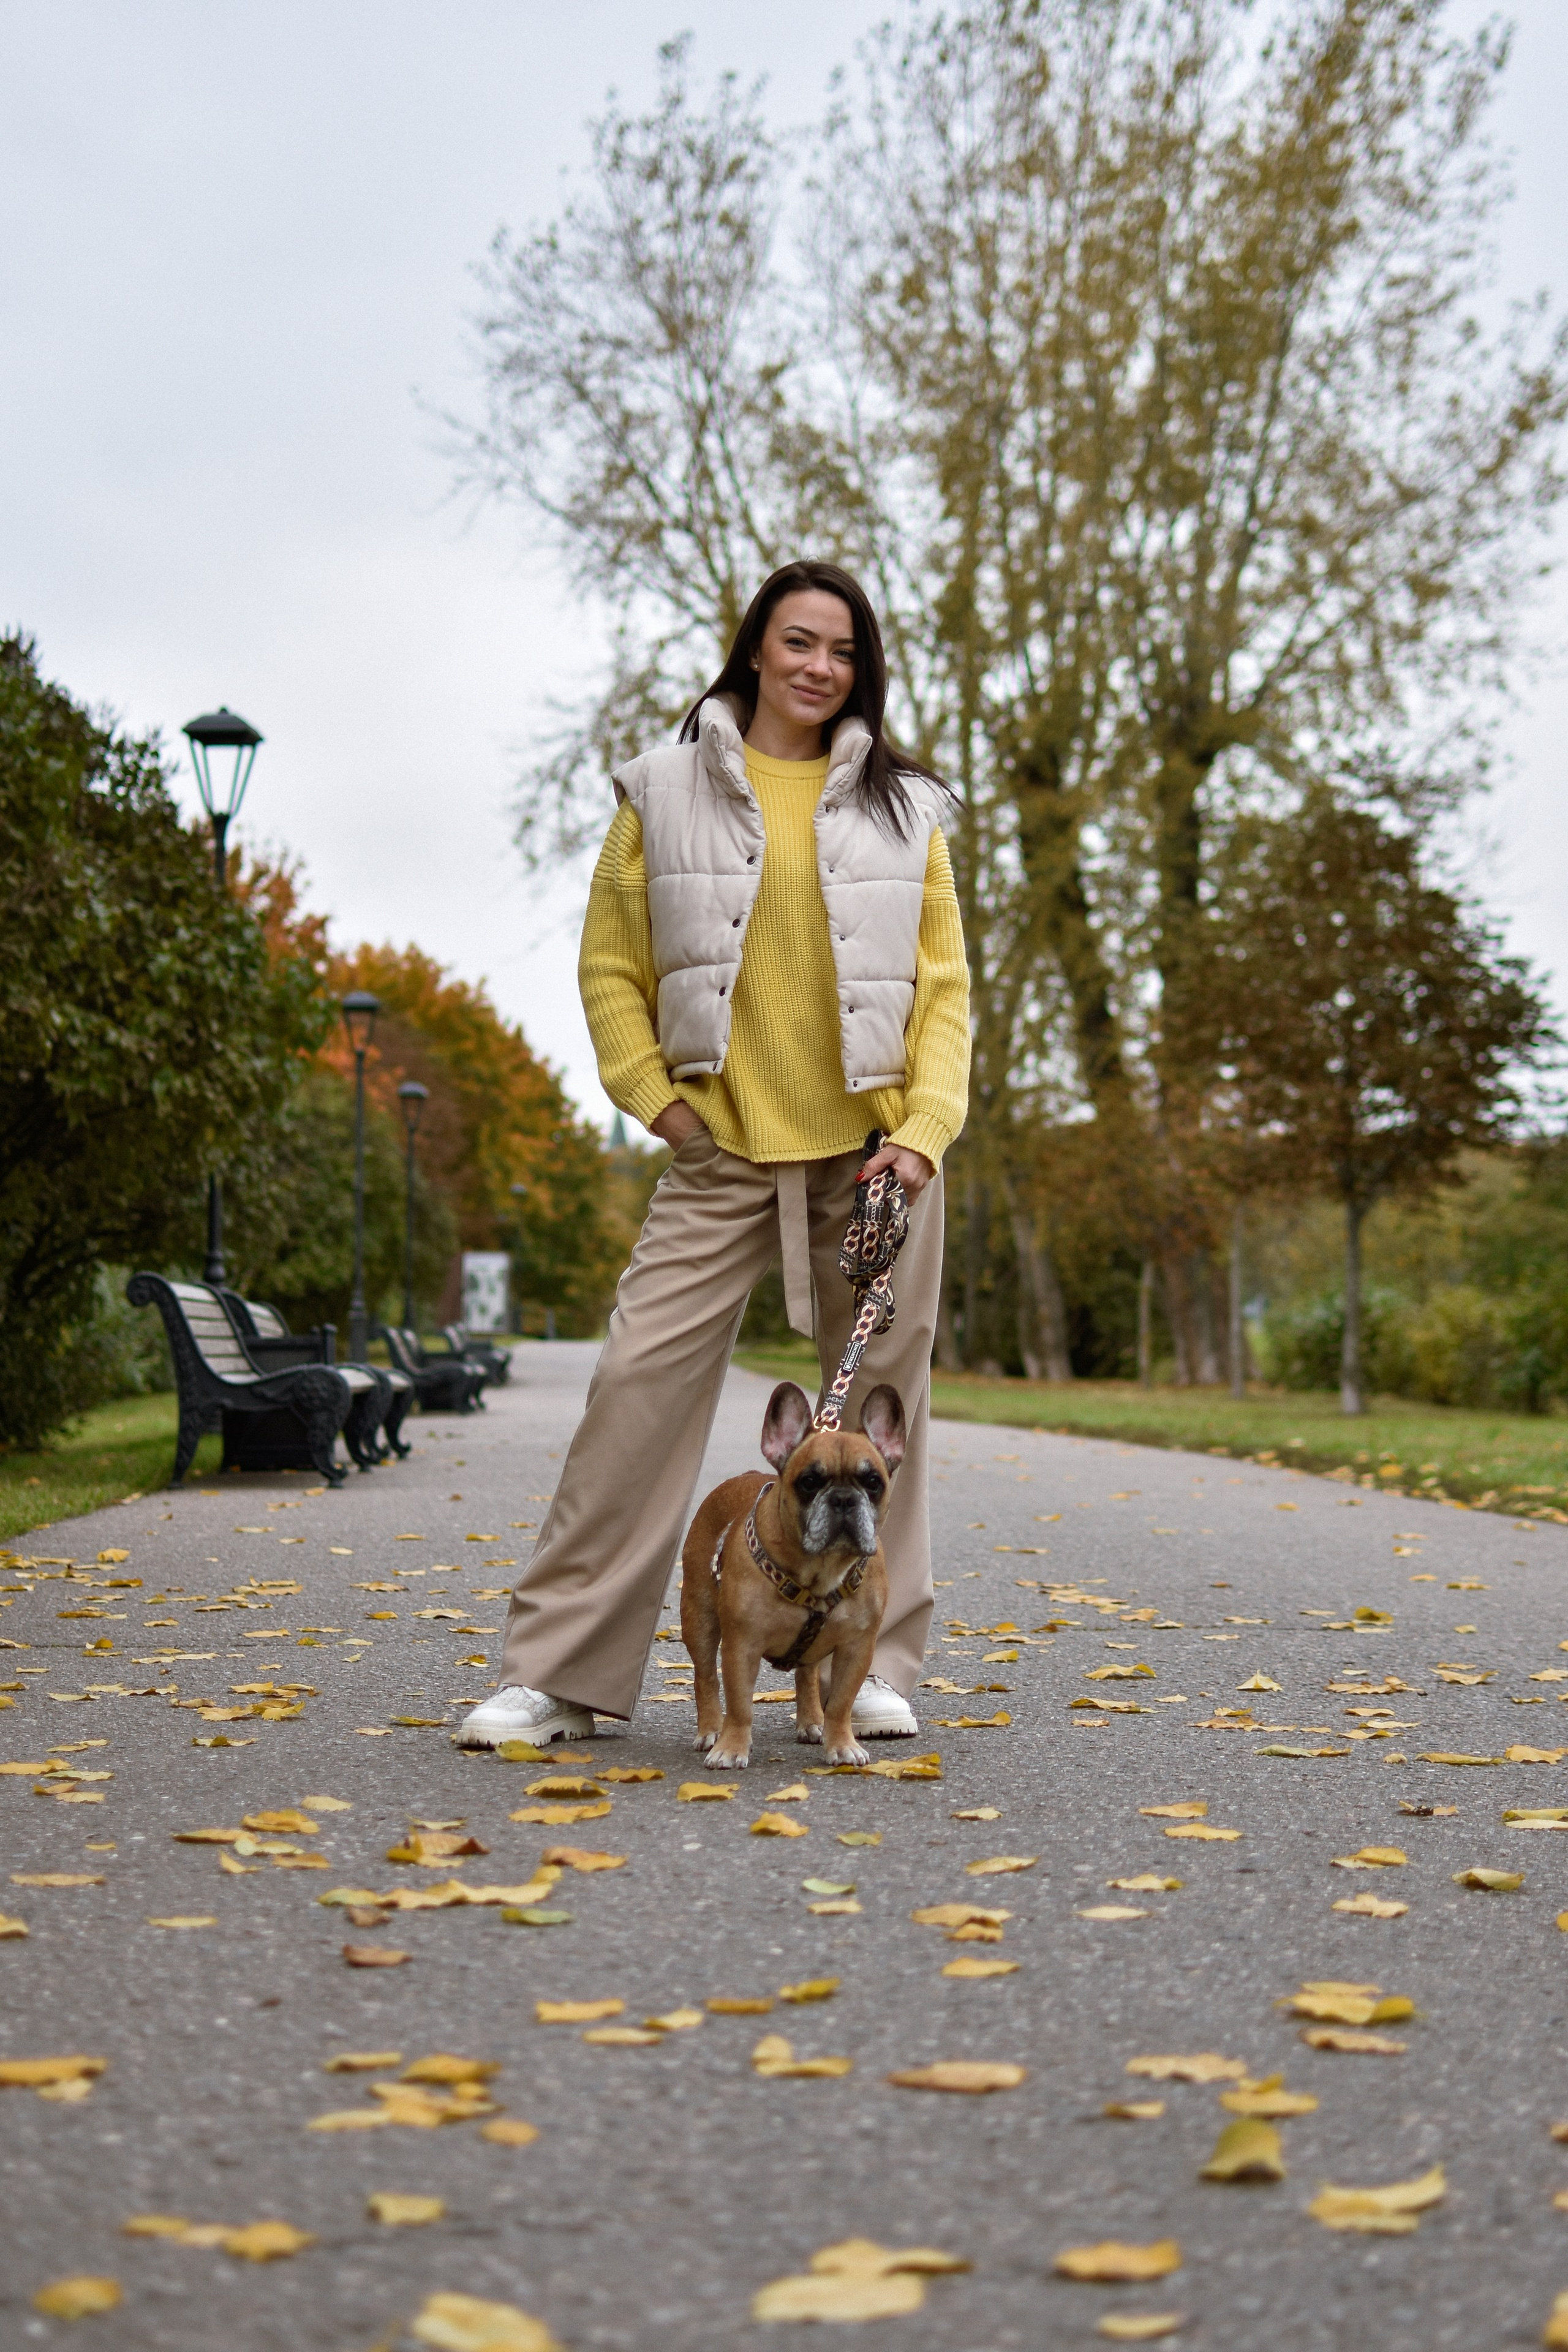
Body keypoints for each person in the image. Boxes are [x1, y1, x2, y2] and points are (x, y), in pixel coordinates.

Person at [457, 560, 970, 1751]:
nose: (817, 667)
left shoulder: (907, 810)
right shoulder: (658, 791)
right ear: (753, 649)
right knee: (633, 1389)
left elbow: (940, 994)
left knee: (888, 1416)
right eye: (797, 642)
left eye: (841, 652)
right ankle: (560, 1672)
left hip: (876, 1161)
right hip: (718, 1149)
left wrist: (922, 1137)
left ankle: (867, 1666)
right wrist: (657, 1102)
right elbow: (608, 966)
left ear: (862, 669)